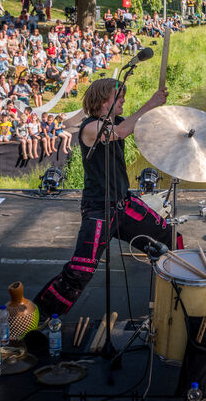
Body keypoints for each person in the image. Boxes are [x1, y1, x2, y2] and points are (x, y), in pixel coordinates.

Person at [33, 78, 176, 318]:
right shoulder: (90, 127)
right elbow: (118, 133)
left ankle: (178, 301)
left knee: (170, 239)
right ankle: (39, 316)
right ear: (102, 101)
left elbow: (132, 126)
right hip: (99, 209)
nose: (123, 100)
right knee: (80, 270)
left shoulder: (117, 122)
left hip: (124, 203)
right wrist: (151, 102)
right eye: (118, 96)